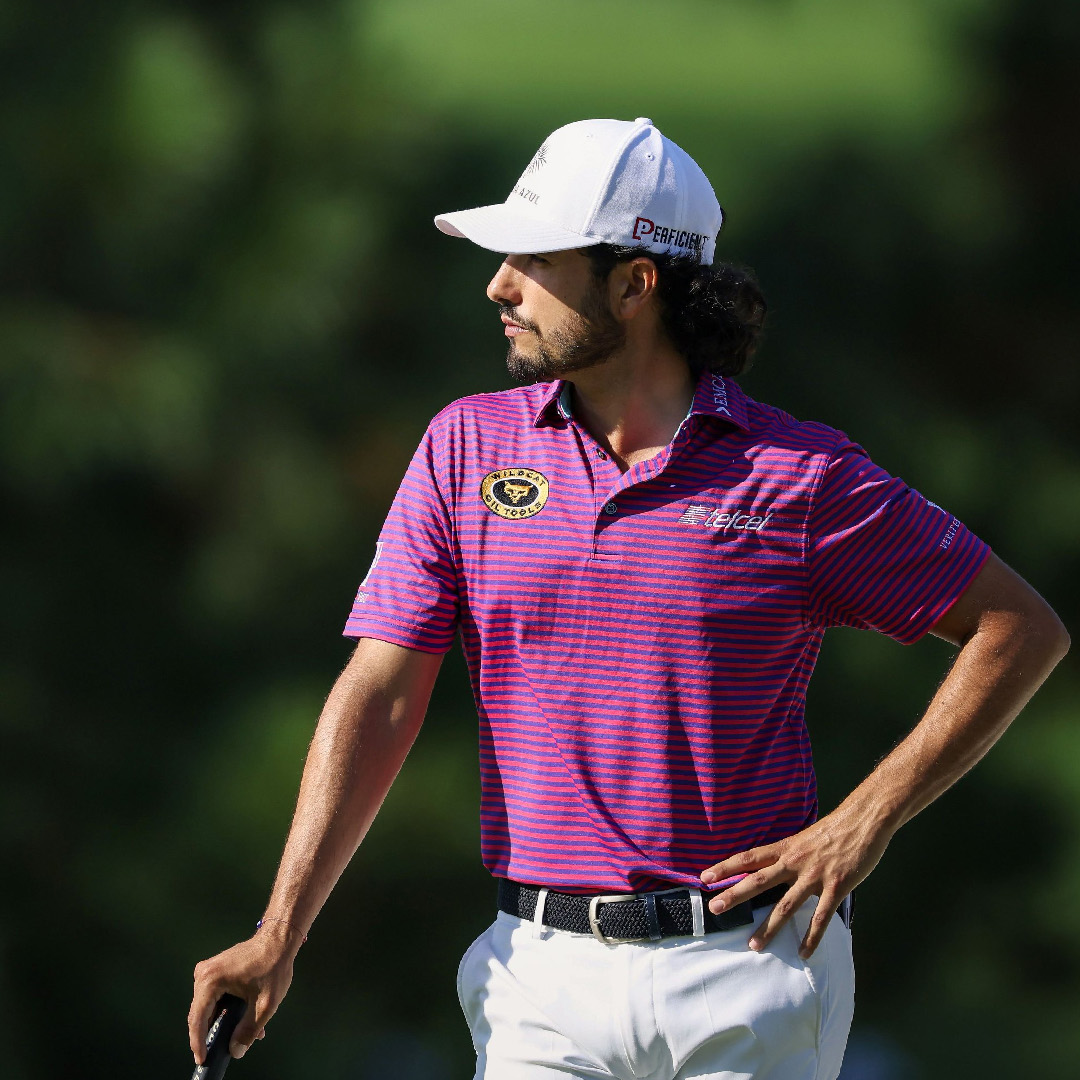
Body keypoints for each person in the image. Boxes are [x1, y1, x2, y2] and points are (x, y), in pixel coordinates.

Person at [185, 117, 1069, 1080]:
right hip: (538, 976)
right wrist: (280, 932)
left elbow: (1018, 627)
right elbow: (382, 694)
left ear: (635, 283)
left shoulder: (796, 475)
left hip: (746, 971)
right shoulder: (465, 448)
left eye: (534, 259)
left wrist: (869, 819)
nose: (500, 286)